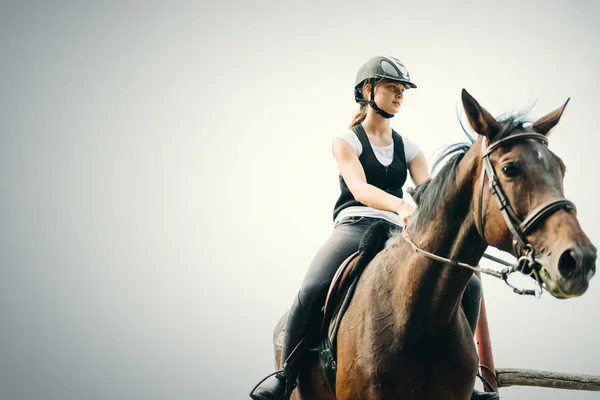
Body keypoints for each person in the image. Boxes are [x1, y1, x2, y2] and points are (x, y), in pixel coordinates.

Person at [250, 56, 499, 400]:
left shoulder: (410, 147)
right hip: (353, 226)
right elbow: (360, 189)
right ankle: (284, 377)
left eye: (402, 91)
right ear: (368, 90)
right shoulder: (346, 141)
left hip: (400, 234)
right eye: (392, 88)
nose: (399, 96)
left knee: (470, 286)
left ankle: (464, 379)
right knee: (311, 289)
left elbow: (427, 191)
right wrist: (399, 203)